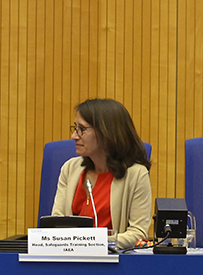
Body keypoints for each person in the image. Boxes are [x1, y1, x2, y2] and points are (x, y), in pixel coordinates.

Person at [52, 98, 152, 250]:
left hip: (113, 264)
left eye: (82, 129)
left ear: (107, 133)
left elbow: (138, 233)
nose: (74, 136)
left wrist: (92, 243)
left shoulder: (136, 174)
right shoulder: (70, 168)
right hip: (70, 260)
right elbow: (55, 225)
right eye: (75, 128)